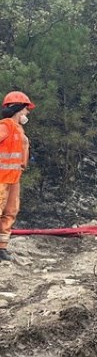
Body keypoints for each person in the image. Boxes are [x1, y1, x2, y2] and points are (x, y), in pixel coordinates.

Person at [0, 91, 34, 261]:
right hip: (1, 179)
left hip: (13, 178)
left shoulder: (19, 131)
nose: (27, 113)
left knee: (10, 212)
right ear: (18, 109)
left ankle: (1, 248)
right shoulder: (5, 126)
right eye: (26, 109)